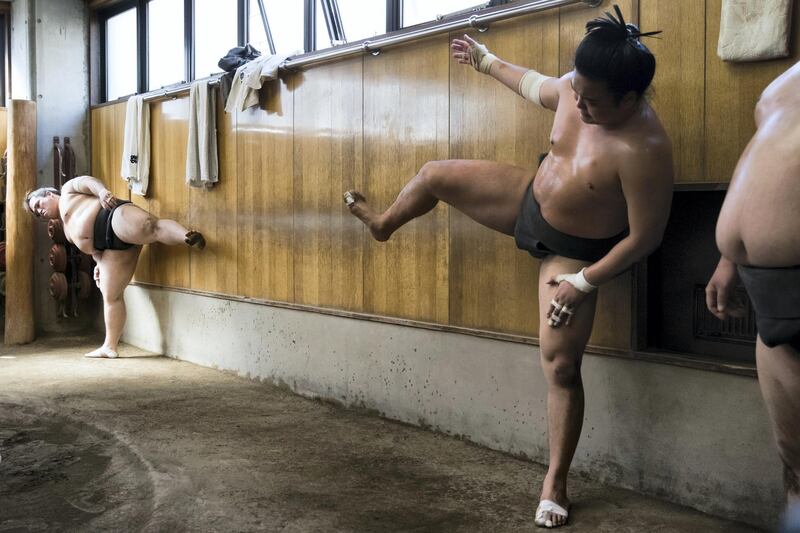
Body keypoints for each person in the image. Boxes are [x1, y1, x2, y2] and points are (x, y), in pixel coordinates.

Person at [344, 6, 673, 529]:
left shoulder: (644, 148)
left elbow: (646, 237)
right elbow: (535, 85)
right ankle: (383, 223)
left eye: (592, 101)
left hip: (574, 253)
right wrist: (484, 59)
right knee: (433, 175)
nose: (578, 104)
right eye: (577, 93)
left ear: (629, 99)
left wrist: (583, 284)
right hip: (528, 199)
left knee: (561, 367)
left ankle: (555, 482)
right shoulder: (575, 90)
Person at [706, 61, 800, 517]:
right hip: (769, 291)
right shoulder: (790, 80)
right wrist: (730, 256)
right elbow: (763, 147)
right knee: (795, 461)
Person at [24, 175, 205, 359]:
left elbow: (87, 181)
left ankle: (187, 237)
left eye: (39, 205)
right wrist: (98, 265)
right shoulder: (67, 232)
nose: (41, 212)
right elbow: (92, 249)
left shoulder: (68, 190)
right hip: (108, 251)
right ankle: (109, 347)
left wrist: (102, 193)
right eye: (37, 213)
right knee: (111, 295)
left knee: (151, 228)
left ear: (48, 194)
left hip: (111, 216)